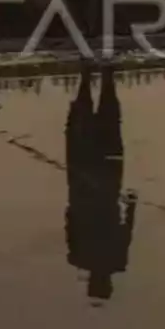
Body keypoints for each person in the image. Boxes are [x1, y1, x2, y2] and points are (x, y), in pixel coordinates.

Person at [64, 64, 135, 305]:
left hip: (100, 183)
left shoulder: (108, 260)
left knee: (103, 123)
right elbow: (70, 222)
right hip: (87, 186)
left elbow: (126, 232)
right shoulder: (81, 258)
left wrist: (132, 205)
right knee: (98, 125)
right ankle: (95, 76)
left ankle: (100, 75)